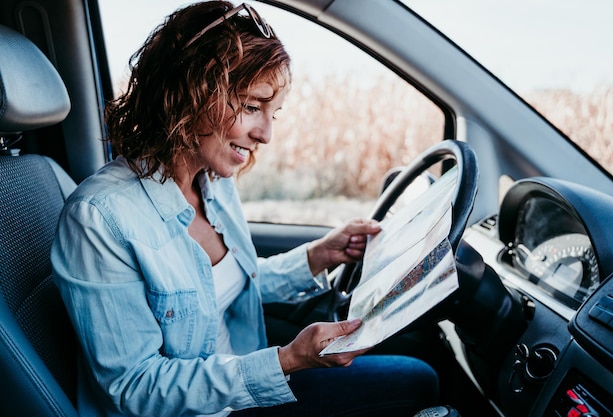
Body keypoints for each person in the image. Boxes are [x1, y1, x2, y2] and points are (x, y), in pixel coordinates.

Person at [51, 1, 439, 416]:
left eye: (274, 113)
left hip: (241, 388)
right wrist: (288, 359)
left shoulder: (213, 182)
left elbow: (223, 286)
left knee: (420, 376)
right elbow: (135, 388)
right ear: (188, 94)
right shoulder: (99, 218)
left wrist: (319, 255)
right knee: (418, 383)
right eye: (252, 107)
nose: (266, 134)